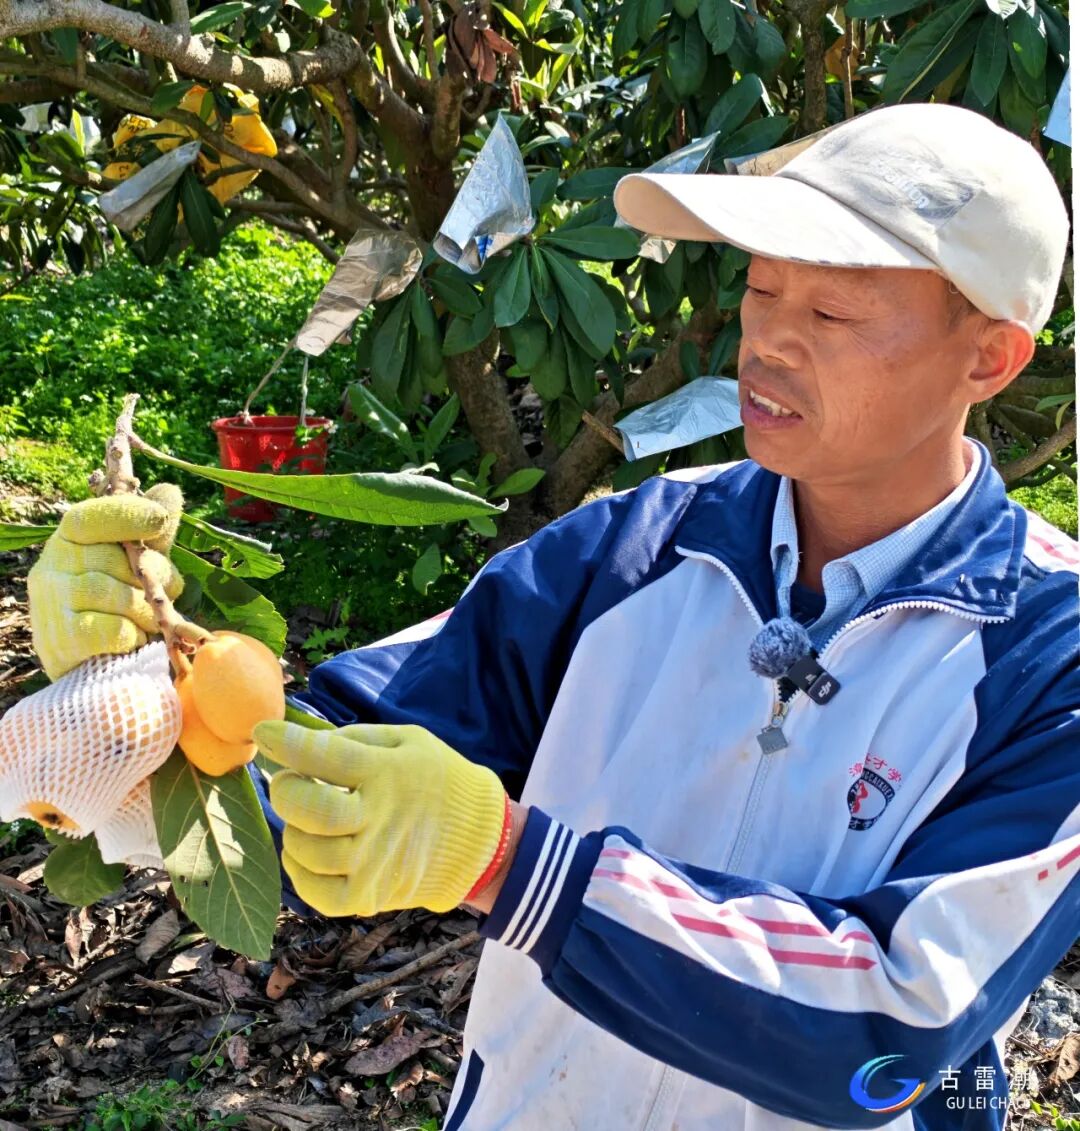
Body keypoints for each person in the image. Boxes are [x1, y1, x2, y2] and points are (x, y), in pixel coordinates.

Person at [28, 102, 1078, 1131]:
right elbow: (312, 761)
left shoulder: (1047, 651)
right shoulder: (630, 552)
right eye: (762, 289)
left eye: (834, 313)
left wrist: (512, 864)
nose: (768, 343)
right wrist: (130, 690)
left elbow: (891, 1030)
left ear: (988, 357)